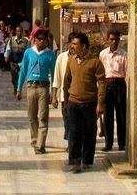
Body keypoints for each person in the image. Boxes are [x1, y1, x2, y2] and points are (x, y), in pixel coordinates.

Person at [63, 31, 105, 173]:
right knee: (74, 132)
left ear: (84, 46)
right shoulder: (71, 60)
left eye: (75, 44)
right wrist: (65, 101)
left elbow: (102, 83)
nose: (72, 46)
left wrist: (100, 103)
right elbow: (66, 81)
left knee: (89, 132)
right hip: (73, 102)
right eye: (72, 43)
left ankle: (86, 160)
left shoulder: (95, 62)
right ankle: (75, 162)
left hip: (90, 102)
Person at [16, 27, 56, 154]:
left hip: (43, 87)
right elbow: (23, 71)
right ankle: (34, 140)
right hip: (31, 86)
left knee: (43, 116)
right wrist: (18, 88)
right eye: (41, 40)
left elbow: (54, 74)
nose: (43, 42)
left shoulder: (50, 54)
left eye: (45, 40)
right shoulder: (28, 53)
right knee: (32, 116)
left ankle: (41, 144)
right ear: (35, 40)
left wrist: (53, 93)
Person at [99, 29, 127, 151]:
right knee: (108, 116)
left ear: (119, 40)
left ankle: (122, 143)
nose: (114, 41)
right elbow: (100, 72)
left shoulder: (124, 54)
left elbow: (127, 72)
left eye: (116, 39)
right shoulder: (103, 54)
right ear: (107, 40)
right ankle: (108, 143)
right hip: (107, 85)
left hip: (120, 84)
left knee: (121, 116)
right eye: (111, 39)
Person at [50, 44, 71, 148]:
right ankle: (70, 142)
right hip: (64, 97)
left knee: (76, 121)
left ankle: (73, 144)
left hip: (78, 96)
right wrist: (54, 96)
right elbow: (56, 78)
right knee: (67, 120)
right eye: (72, 43)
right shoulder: (61, 58)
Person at [4, 25, 29, 94]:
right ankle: (15, 85)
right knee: (14, 76)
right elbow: (8, 49)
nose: (19, 33)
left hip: (21, 62)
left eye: (21, 31)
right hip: (13, 61)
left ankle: (18, 89)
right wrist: (6, 56)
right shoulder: (11, 40)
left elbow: (27, 51)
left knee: (20, 76)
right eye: (18, 31)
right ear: (16, 32)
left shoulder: (26, 41)